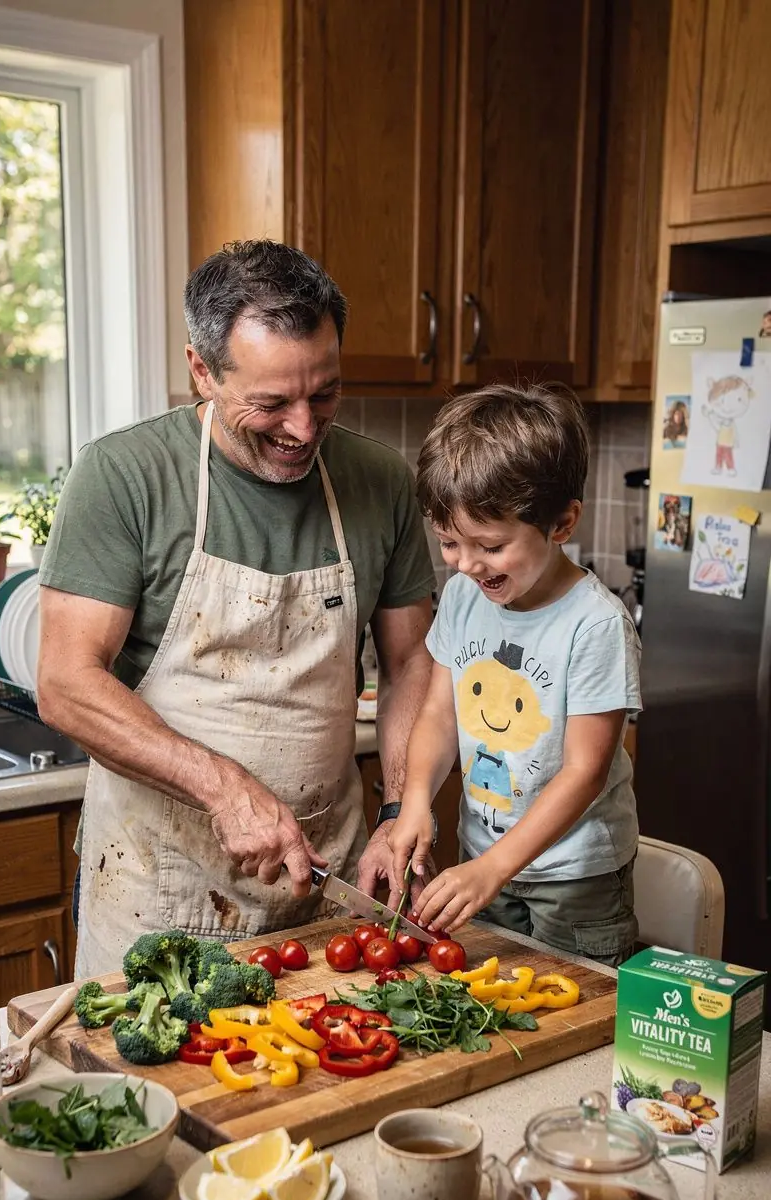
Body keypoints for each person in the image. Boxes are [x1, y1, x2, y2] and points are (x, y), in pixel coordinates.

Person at [38, 241, 434, 978]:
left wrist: (399, 813)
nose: (305, 429)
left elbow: (412, 660)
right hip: (161, 886)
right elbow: (65, 685)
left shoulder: (379, 480)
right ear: (202, 370)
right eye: (272, 402)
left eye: (324, 394)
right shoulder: (124, 476)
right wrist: (225, 788)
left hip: (329, 888)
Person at [388, 383, 641, 965]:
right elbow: (438, 714)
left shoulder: (595, 624)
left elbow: (585, 770)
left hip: (575, 879)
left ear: (562, 523)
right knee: (496, 1012)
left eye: (492, 546)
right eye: (450, 541)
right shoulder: (461, 597)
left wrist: (495, 868)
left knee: (572, 1019)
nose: (468, 564)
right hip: (482, 859)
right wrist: (415, 801)